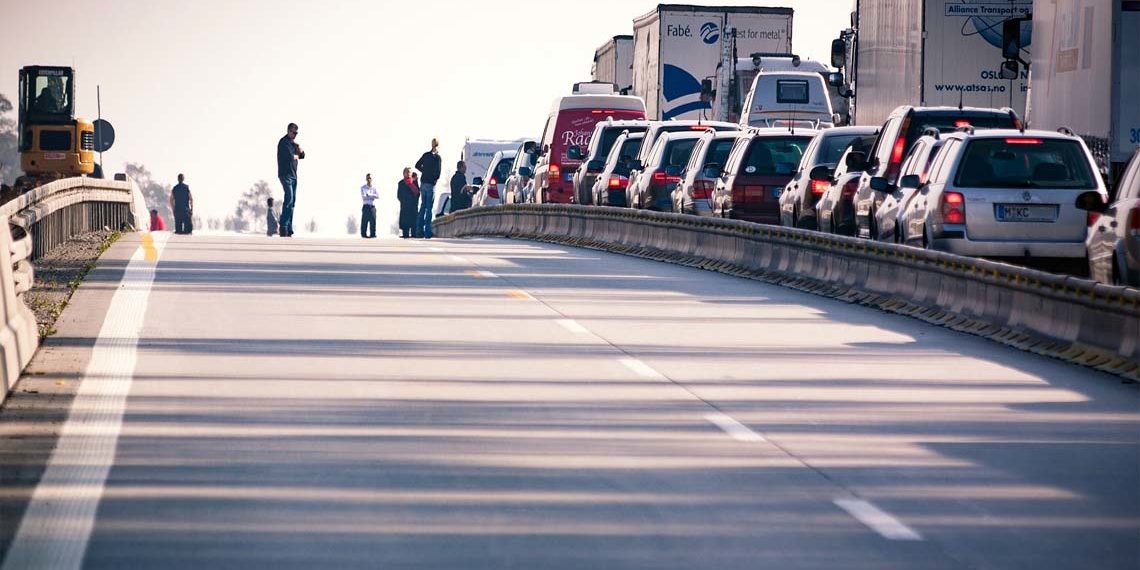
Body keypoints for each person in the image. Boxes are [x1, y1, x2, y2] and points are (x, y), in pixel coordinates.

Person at [276, 122, 305, 237]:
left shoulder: (293, 144)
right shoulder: (284, 143)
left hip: (294, 175)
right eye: (293, 132)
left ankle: (289, 228)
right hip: (285, 175)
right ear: (288, 131)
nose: (295, 134)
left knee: (292, 202)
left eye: (296, 133)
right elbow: (290, 156)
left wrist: (300, 149)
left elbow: (303, 155)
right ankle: (283, 226)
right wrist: (297, 155)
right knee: (289, 198)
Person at [414, 138, 442, 239]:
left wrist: (424, 171)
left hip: (423, 182)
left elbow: (417, 165)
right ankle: (427, 232)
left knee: (423, 206)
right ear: (438, 146)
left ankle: (419, 231)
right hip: (431, 184)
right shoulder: (437, 158)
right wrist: (433, 178)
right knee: (429, 208)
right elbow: (438, 173)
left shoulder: (426, 155)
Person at [397, 168, 420, 238]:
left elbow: (418, 193)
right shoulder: (401, 183)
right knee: (405, 222)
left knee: (414, 220)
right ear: (403, 173)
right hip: (405, 205)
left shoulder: (414, 182)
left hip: (413, 205)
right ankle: (405, 234)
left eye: (409, 172)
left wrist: (414, 201)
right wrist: (404, 201)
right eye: (406, 172)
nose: (408, 174)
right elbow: (399, 195)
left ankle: (414, 233)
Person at [360, 173, 379, 239]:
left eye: (370, 178)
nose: (369, 179)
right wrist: (372, 196)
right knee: (364, 221)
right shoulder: (363, 187)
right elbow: (364, 197)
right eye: (368, 178)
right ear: (366, 179)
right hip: (366, 206)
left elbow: (377, 196)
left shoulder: (374, 187)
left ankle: (373, 234)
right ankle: (363, 234)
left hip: (372, 206)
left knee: (373, 220)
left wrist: (369, 195)